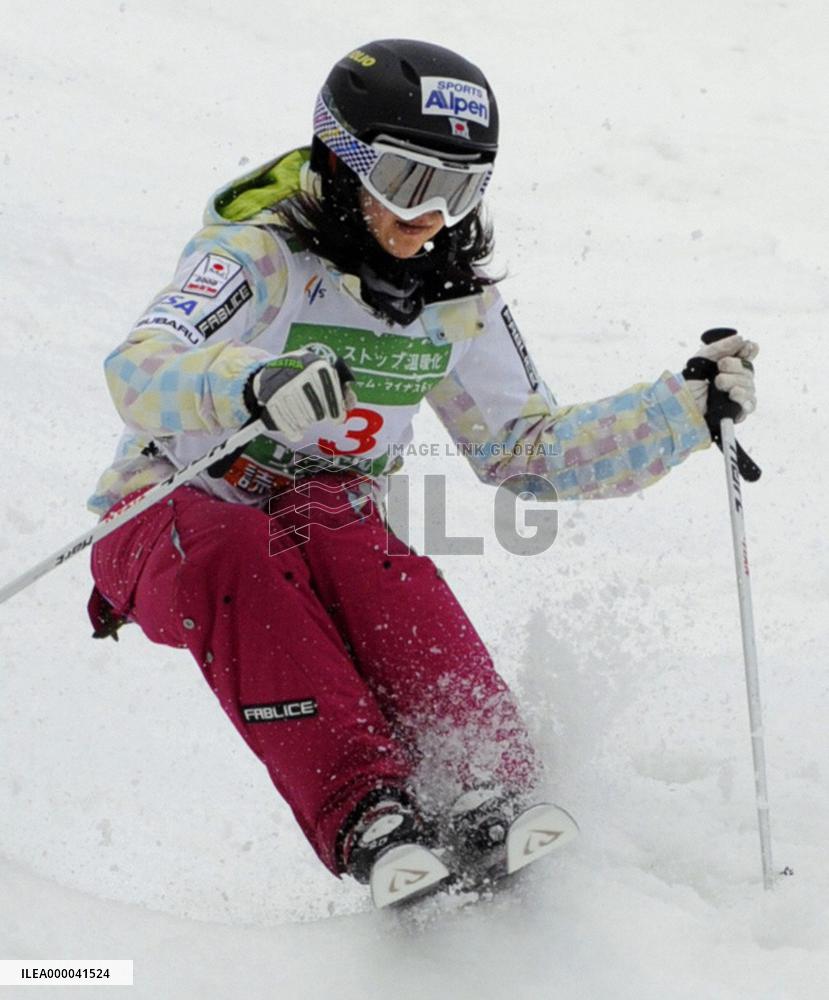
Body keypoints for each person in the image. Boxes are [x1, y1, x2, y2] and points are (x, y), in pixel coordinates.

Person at [87, 39, 758, 904]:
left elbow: (524, 450)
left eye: (460, 188)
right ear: (342, 159)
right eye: (408, 182)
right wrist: (246, 383)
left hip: (314, 522)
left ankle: (479, 778)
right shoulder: (258, 257)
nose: (430, 216)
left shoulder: (452, 303)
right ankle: (366, 809)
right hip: (167, 515)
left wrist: (679, 414)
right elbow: (136, 370)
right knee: (237, 544)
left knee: (343, 525)